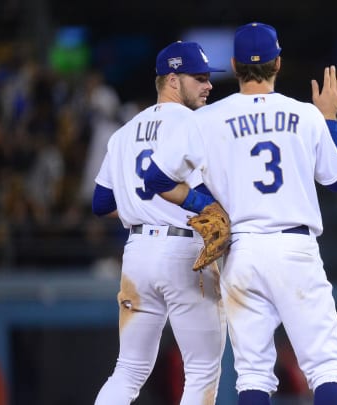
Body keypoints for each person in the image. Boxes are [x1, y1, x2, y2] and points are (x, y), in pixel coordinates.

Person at [144, 22, 337, 405]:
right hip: (295, 249)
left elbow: (155, 178)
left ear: (235, 64)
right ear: (278, 63)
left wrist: (204, 204)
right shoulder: (305, 115)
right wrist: (330, 118)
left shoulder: (205, 119)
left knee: (253, 373)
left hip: (241, 252)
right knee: (325, 367)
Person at [92, 41, 227, 405]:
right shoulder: (198, 124)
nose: (208, 85)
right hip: (186, 251)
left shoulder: (123, 133)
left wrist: (142, 209)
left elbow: (101, 203)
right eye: (198, 78)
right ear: (171, 79)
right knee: (201, 371)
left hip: (137, 254)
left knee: (128, 369)